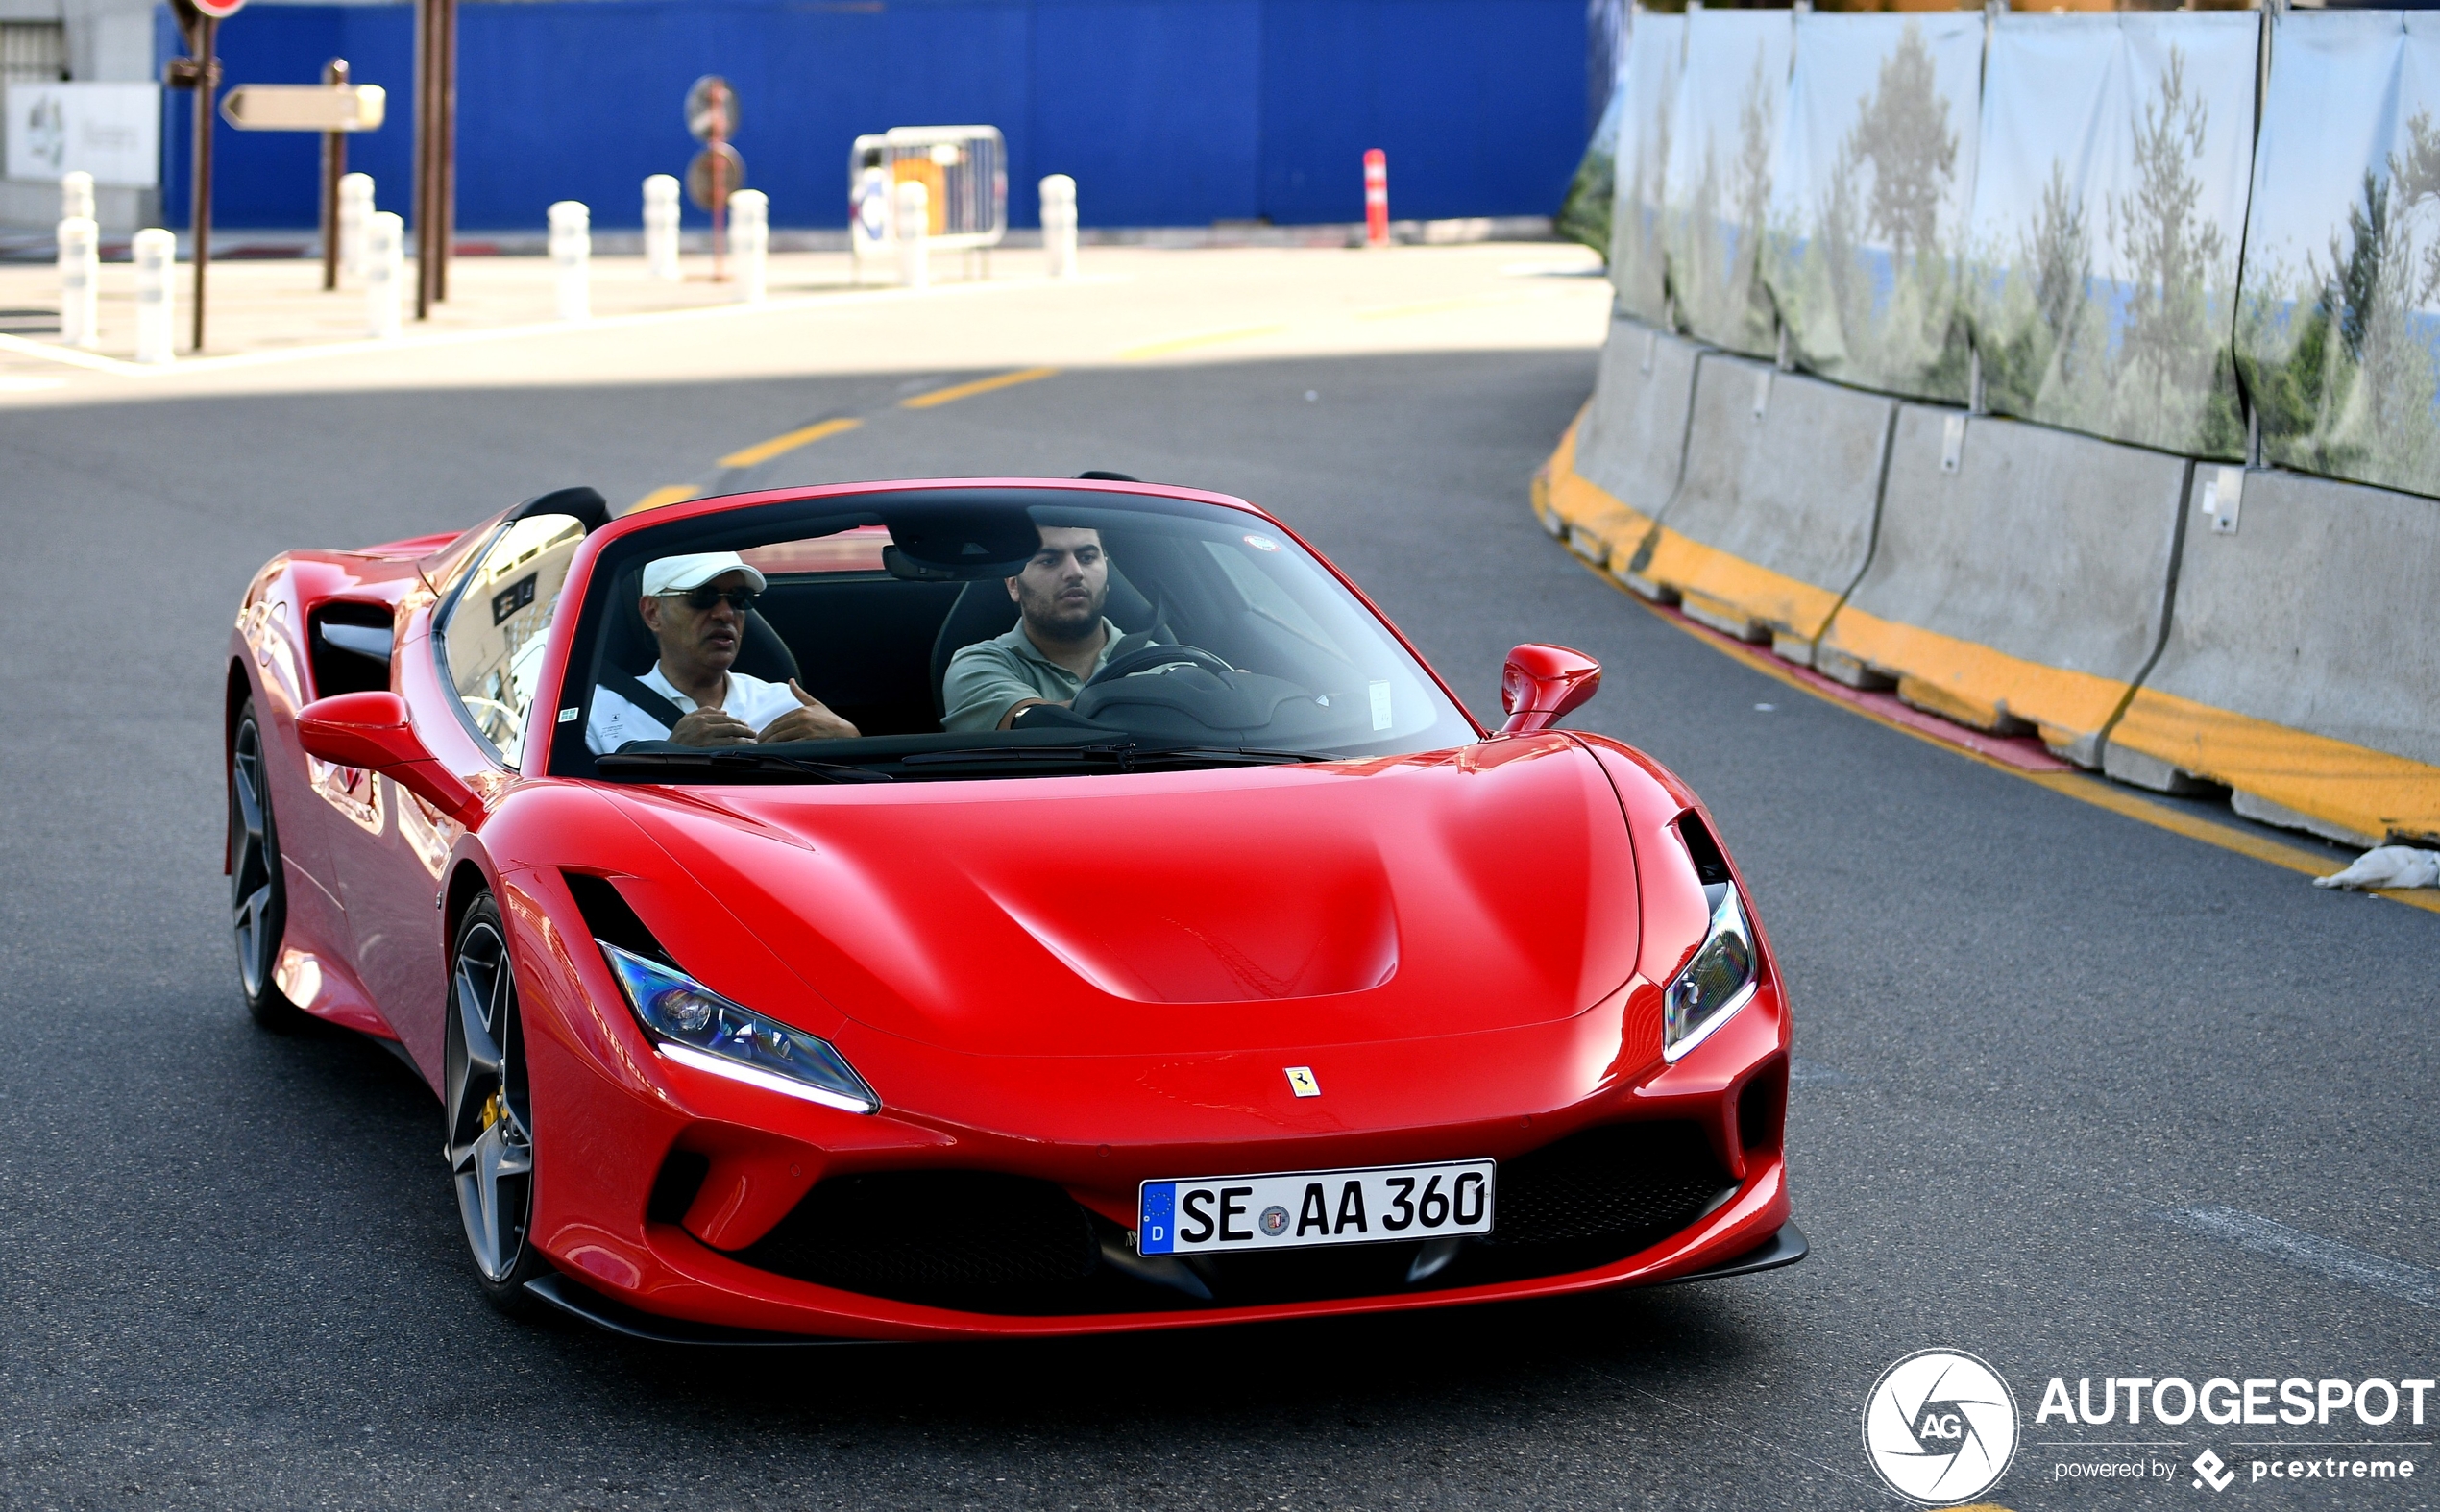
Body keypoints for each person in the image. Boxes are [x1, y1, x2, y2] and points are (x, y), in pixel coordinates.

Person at [587, 551, 858, 753]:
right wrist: (674, 755)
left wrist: (849, 742)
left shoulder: (789, 707)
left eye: (739, 599)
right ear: (652, 612)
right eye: (702, 597)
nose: (725, 613)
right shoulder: (595, 715)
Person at [941, 526, 1135, 731]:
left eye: (1087, 558)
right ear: (1013, 584)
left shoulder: (1157, 660)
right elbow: (1036, 733)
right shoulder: (975, 667)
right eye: (1049, 561)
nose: (1075, 572)